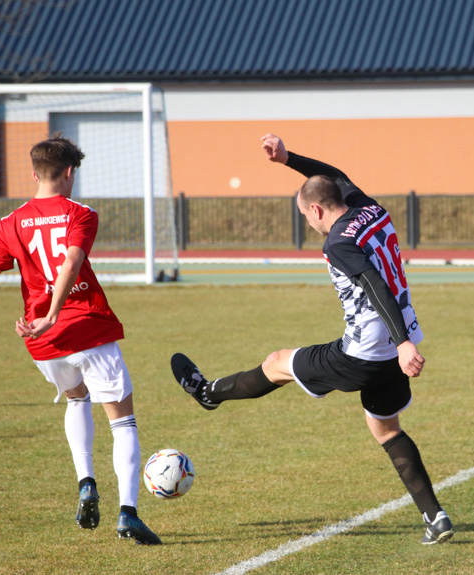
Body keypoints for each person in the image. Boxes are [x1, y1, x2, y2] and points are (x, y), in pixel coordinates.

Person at [170, 134, 454, 544]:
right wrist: (288, 159)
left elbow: (374, 285)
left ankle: (208, 393)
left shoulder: (337, 242)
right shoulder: (371, 210)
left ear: (317, 209)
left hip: (365, 352)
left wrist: (402, 343)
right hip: (396, 343)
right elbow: (336, 176)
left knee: (277, 362)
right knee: (386, 429)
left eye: (307, 216)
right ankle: (435, 517)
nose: (310, 223)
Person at [0, 135, 161, 544]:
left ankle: (86, 482)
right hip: (82, 325)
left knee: (76, 398)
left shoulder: (9, 223)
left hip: (40, 339)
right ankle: (128, 513)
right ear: (70, 172)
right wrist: (54, 313)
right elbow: (71, 260)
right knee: (123, 421)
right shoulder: (80, 214)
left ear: (34, 174)